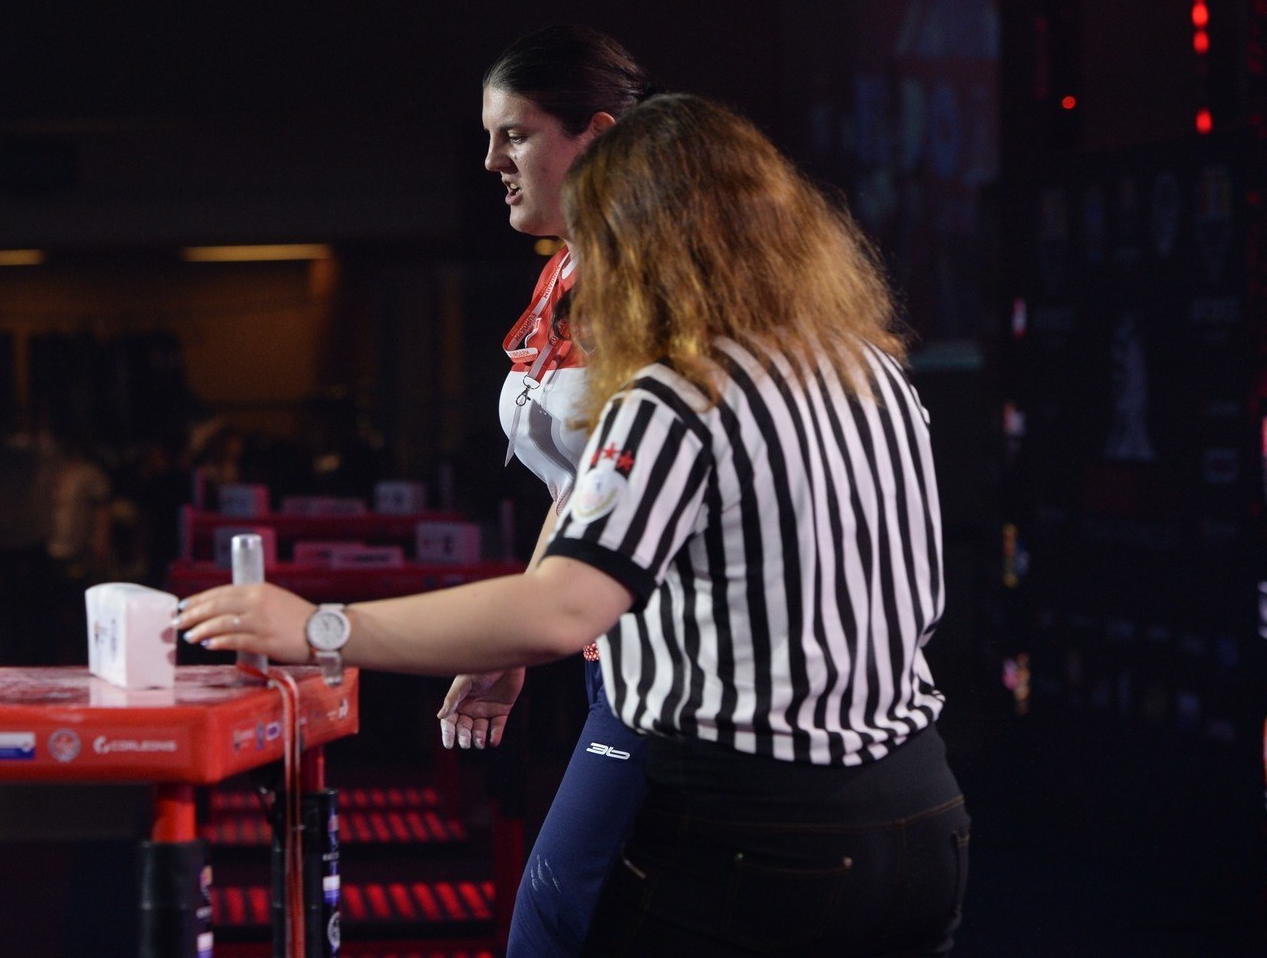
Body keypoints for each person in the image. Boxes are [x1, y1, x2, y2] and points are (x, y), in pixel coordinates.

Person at [176, 92, 969, 956]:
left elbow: (564, 608)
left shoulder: (678, 392)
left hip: (759, 826)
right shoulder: (871, 372)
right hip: (923, 815)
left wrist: (320, 627)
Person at [448, 24, 658, 954]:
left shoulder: (658, 279)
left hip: (678, 669)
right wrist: (523, 640)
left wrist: (319, 630)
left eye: (516, 135)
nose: (491, 159)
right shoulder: (567, 269)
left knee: (550, 927)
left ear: (598, 137)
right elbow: (582, 488)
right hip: (605, 653)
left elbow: (633, 481)